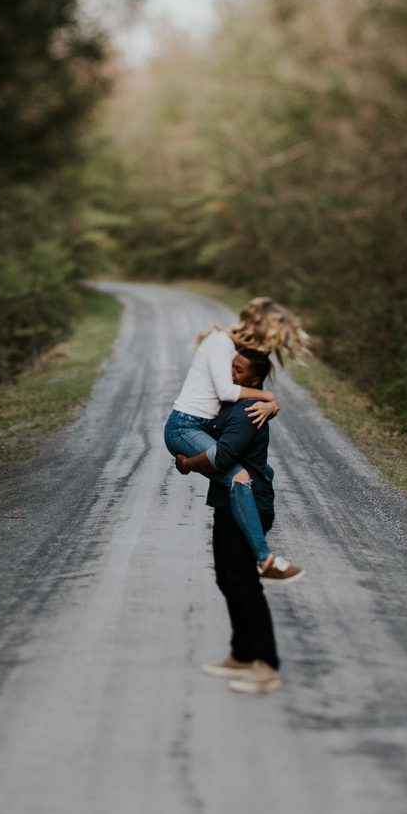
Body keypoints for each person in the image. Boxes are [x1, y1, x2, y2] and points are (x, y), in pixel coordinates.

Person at [162, 297, 308, 581]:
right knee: (238, 477)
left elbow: (243, 395)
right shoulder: (219, 342)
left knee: (262, 472)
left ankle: (237, 545)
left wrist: (270, 405)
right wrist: (269, 397)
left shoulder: (233, 348)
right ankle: (264, 559)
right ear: (255, 327)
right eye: (267, 340)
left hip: (204, 428)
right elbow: (228, 391)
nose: (265, 348)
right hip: (185, 427)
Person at [176, 347, 288, 694]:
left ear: (254, 380)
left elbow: (222, 457)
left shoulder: (245, 411)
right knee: (228, 578)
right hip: (231, 503)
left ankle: (266, 666)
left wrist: (187, 463)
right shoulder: (234, 402)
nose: (232, 373)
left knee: (243, 583)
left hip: (250, 503)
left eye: (239, 370)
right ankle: (241, 654)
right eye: (231, 366)